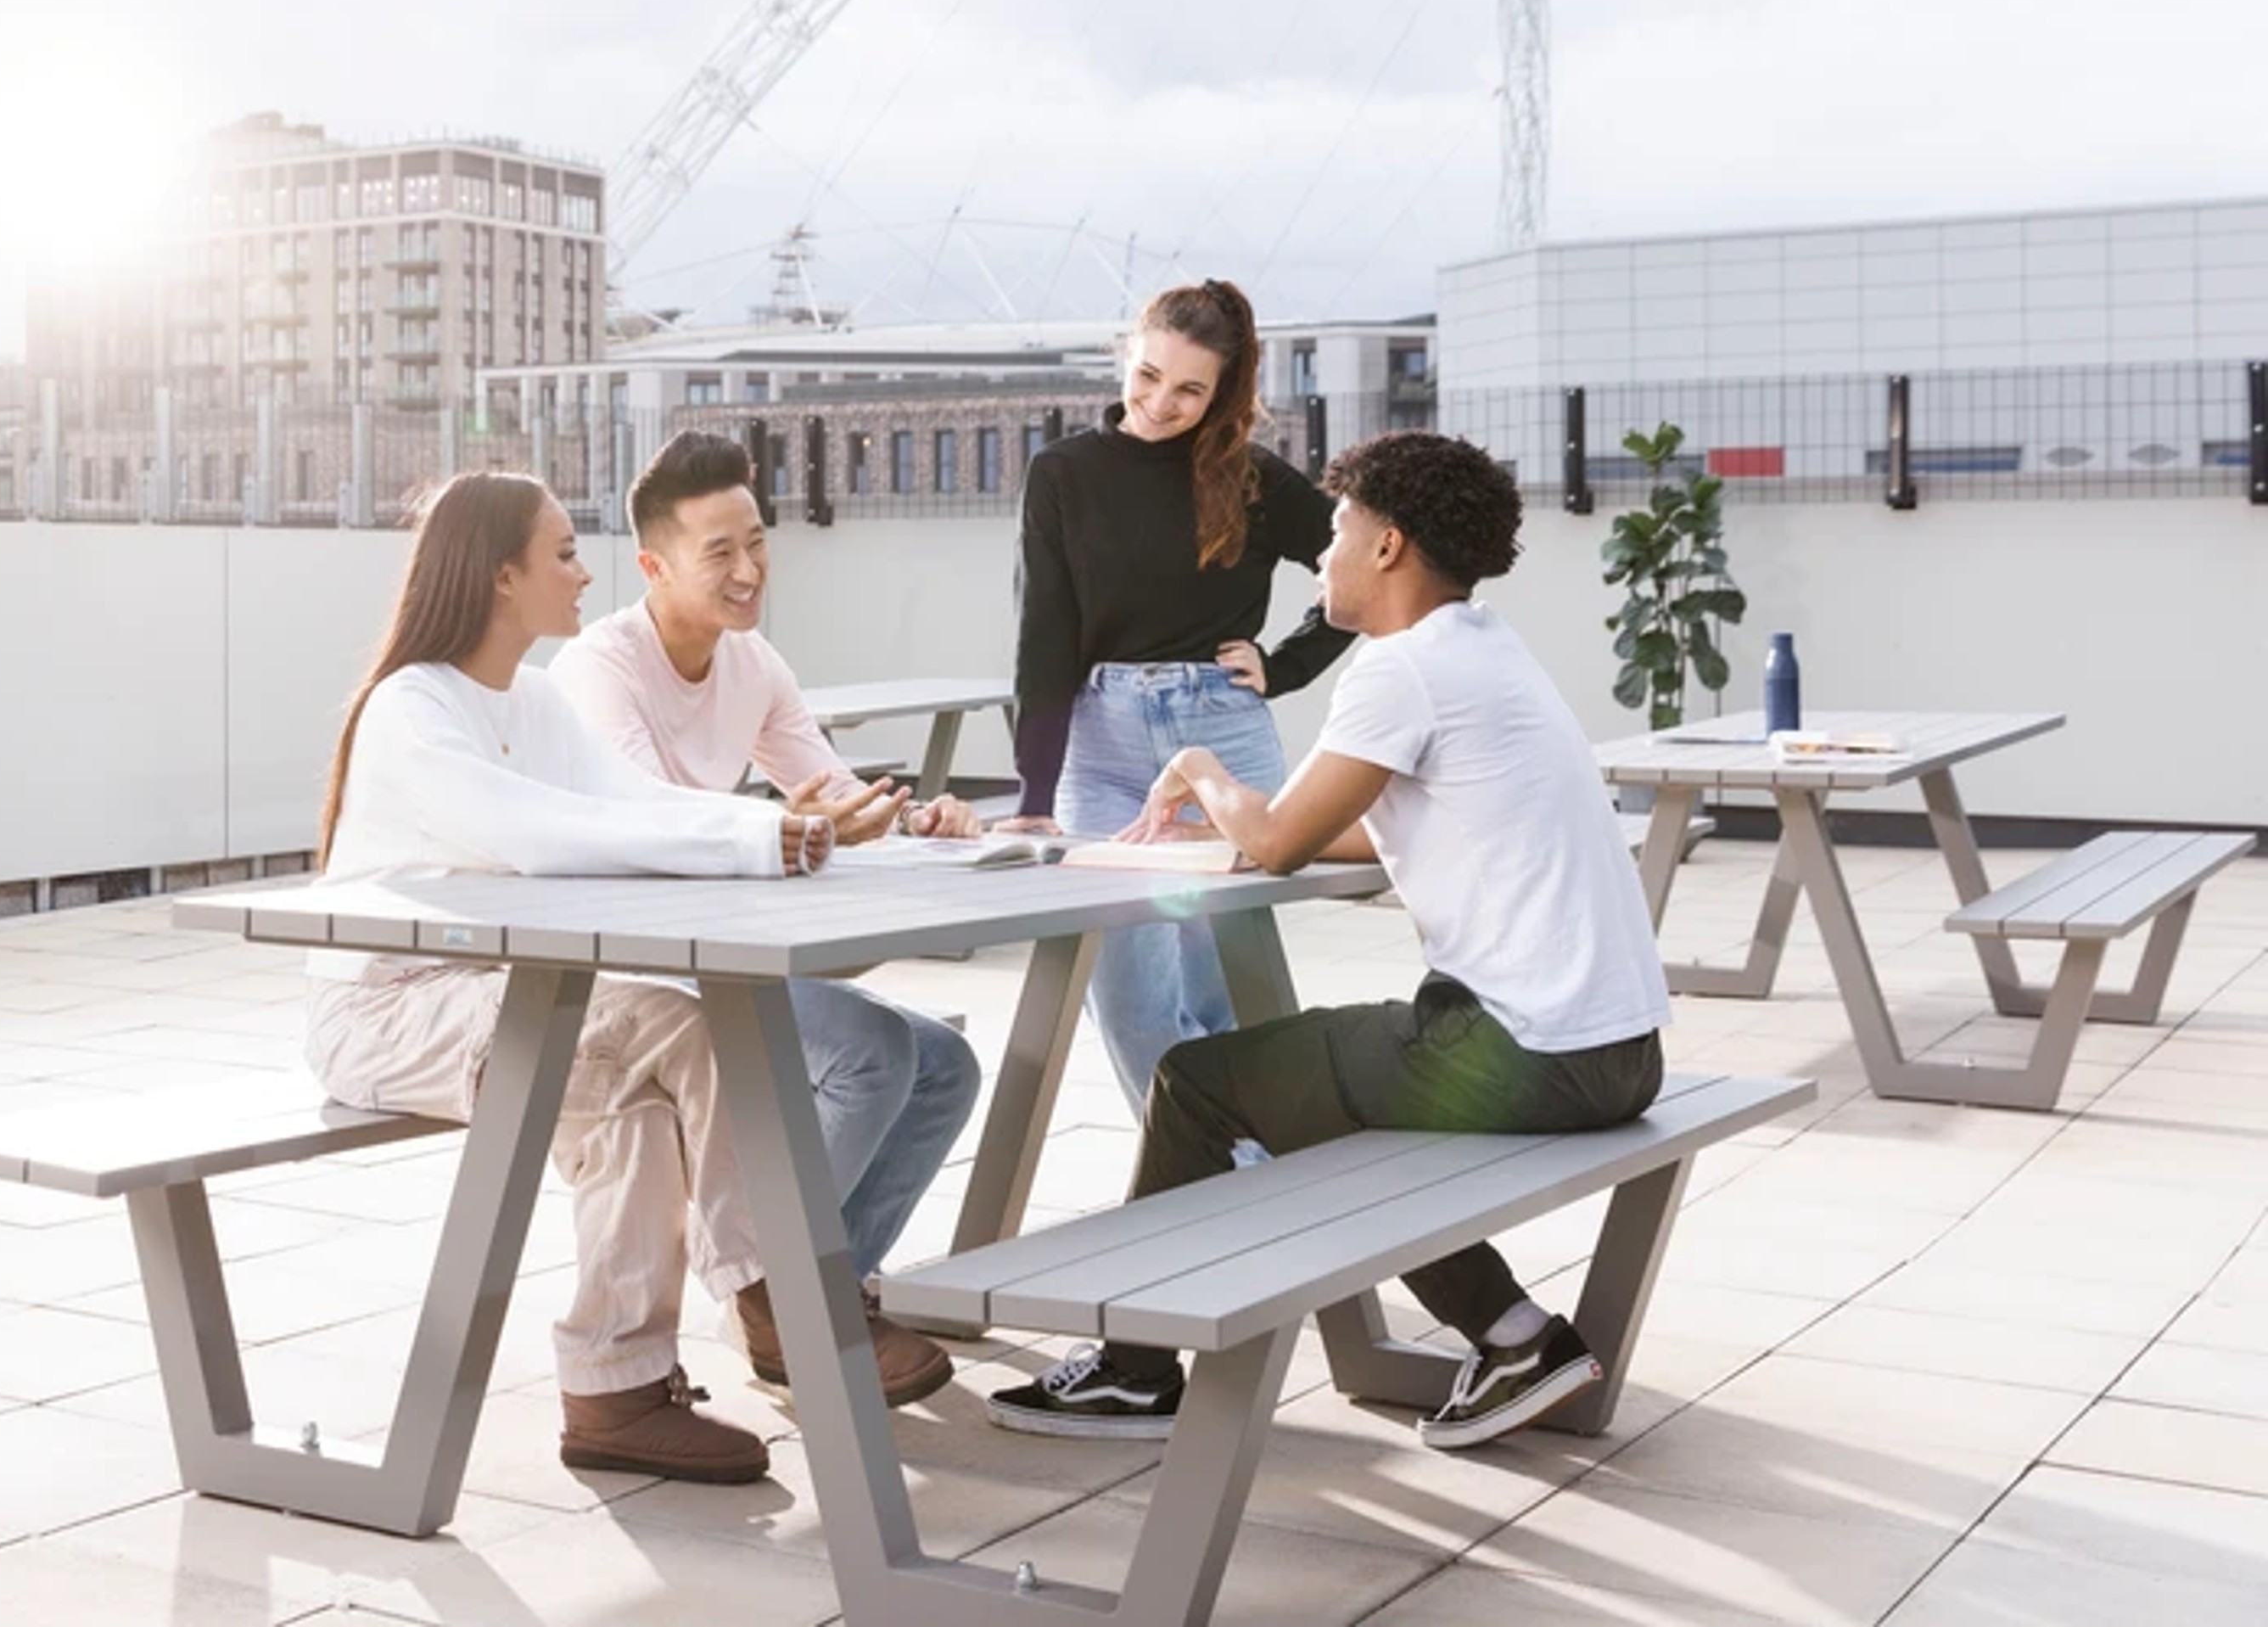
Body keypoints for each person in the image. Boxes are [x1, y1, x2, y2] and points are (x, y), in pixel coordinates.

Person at [990, 431, 1672, 1450]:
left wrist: (1199, 771)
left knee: (1198, 1078)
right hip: (1619, 1049)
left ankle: (1136, 1369)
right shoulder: (1482, 645)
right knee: (1322, 1091)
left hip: (1530, 1049)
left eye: (1341, 530)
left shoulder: (1399, 670)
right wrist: (1240, 815)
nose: (1326, 556)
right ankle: (1515, 1331)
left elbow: (1274, 844)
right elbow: (1348, 824)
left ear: (1389, 545)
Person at [308, 470, 950, 1487]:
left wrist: (789, 831)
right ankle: (778, 1299)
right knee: (656, 1030)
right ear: (501, 572)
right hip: (390, 1014)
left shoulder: (528, 697)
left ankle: (618, 1390)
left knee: (630, 1079)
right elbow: (543, 834)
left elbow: (633, 800)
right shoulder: (411, 705)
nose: (584, 567)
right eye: (563, 550)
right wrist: (770, 838)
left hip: (506, 997)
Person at [550, 429, 980, 1382]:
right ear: (656, 564)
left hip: (717, 954)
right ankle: (779, 1293)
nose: (749, 570)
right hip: (632, 977)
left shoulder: (754, 661)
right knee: (873, 1052)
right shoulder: (599, 667)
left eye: (757, 542)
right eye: (721, 552)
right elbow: (647, 828)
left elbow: (828, 792)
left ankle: (827, 1288)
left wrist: (919, 820)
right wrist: (785, 827)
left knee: (944, 1063)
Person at [1005, 278, 1352, 1112]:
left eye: (1191, 388)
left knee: (1229, 988)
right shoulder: (1062, 474)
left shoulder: (1255, 478)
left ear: (1223, 392)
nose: (1162, 401)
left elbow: (1368, 563)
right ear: (1128, 356)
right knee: (1127, 995)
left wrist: (1290, 661)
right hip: (1106, 752)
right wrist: (1034, 792)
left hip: (1222, 738)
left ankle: (1263, 1171)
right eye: (1150, 375)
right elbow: (1044, 636)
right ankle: (1192, 1169)